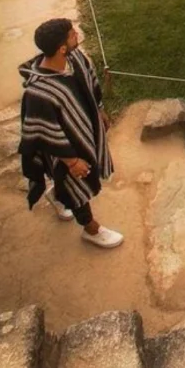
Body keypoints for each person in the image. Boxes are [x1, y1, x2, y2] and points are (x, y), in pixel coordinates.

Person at [18, 18, 123, 249]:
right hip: (64, 150)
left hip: (84, 133)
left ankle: (57, 194)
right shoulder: (39, 92)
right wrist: (72, 161)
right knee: (75, 184)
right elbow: (44, 134)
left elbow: (91, 84)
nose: (76, 33)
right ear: (61, 48)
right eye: (71, 33)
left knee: (70, 182)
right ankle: (91, 229)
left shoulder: (75, 58)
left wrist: (100, 110)